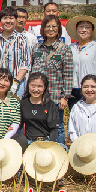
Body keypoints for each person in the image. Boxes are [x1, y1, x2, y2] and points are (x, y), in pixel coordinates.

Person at [30, 15, 73, 148]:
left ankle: (58, 152)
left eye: (54, 26)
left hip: (55, 96)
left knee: (57, 127)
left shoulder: (64, 49)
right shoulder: (37, 47)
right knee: (39, 125)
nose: (51, 29)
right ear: (42, 29)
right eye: (47, 26)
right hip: (37, 96)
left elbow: (68, 74)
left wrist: (64, 96)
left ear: (59, 29)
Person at [66, 16, 96, 110]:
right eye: (81, 27)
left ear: (92, 30)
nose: (84, 30)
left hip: (90, 90)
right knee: (75, 115)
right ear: (76, 29)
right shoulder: (70, 48)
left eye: (87, 27)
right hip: (73, 90)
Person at [0, 7, 31, 98]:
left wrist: (15, 83)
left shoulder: (22, 39)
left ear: (16, 20)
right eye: (5, 18)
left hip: (17, 85)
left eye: (11, 18)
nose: (8, 21)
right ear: (0, 20)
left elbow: (25, 64)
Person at [20, 73, 60, 145]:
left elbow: (54, 129)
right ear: (28, 85)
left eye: (40, 86)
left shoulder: (50, 105)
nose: (36, 89)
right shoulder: (23, 103)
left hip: (45, 142)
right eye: (33, 86)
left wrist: (51, 144)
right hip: (29, 142)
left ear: (44, 87)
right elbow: (18, 125)